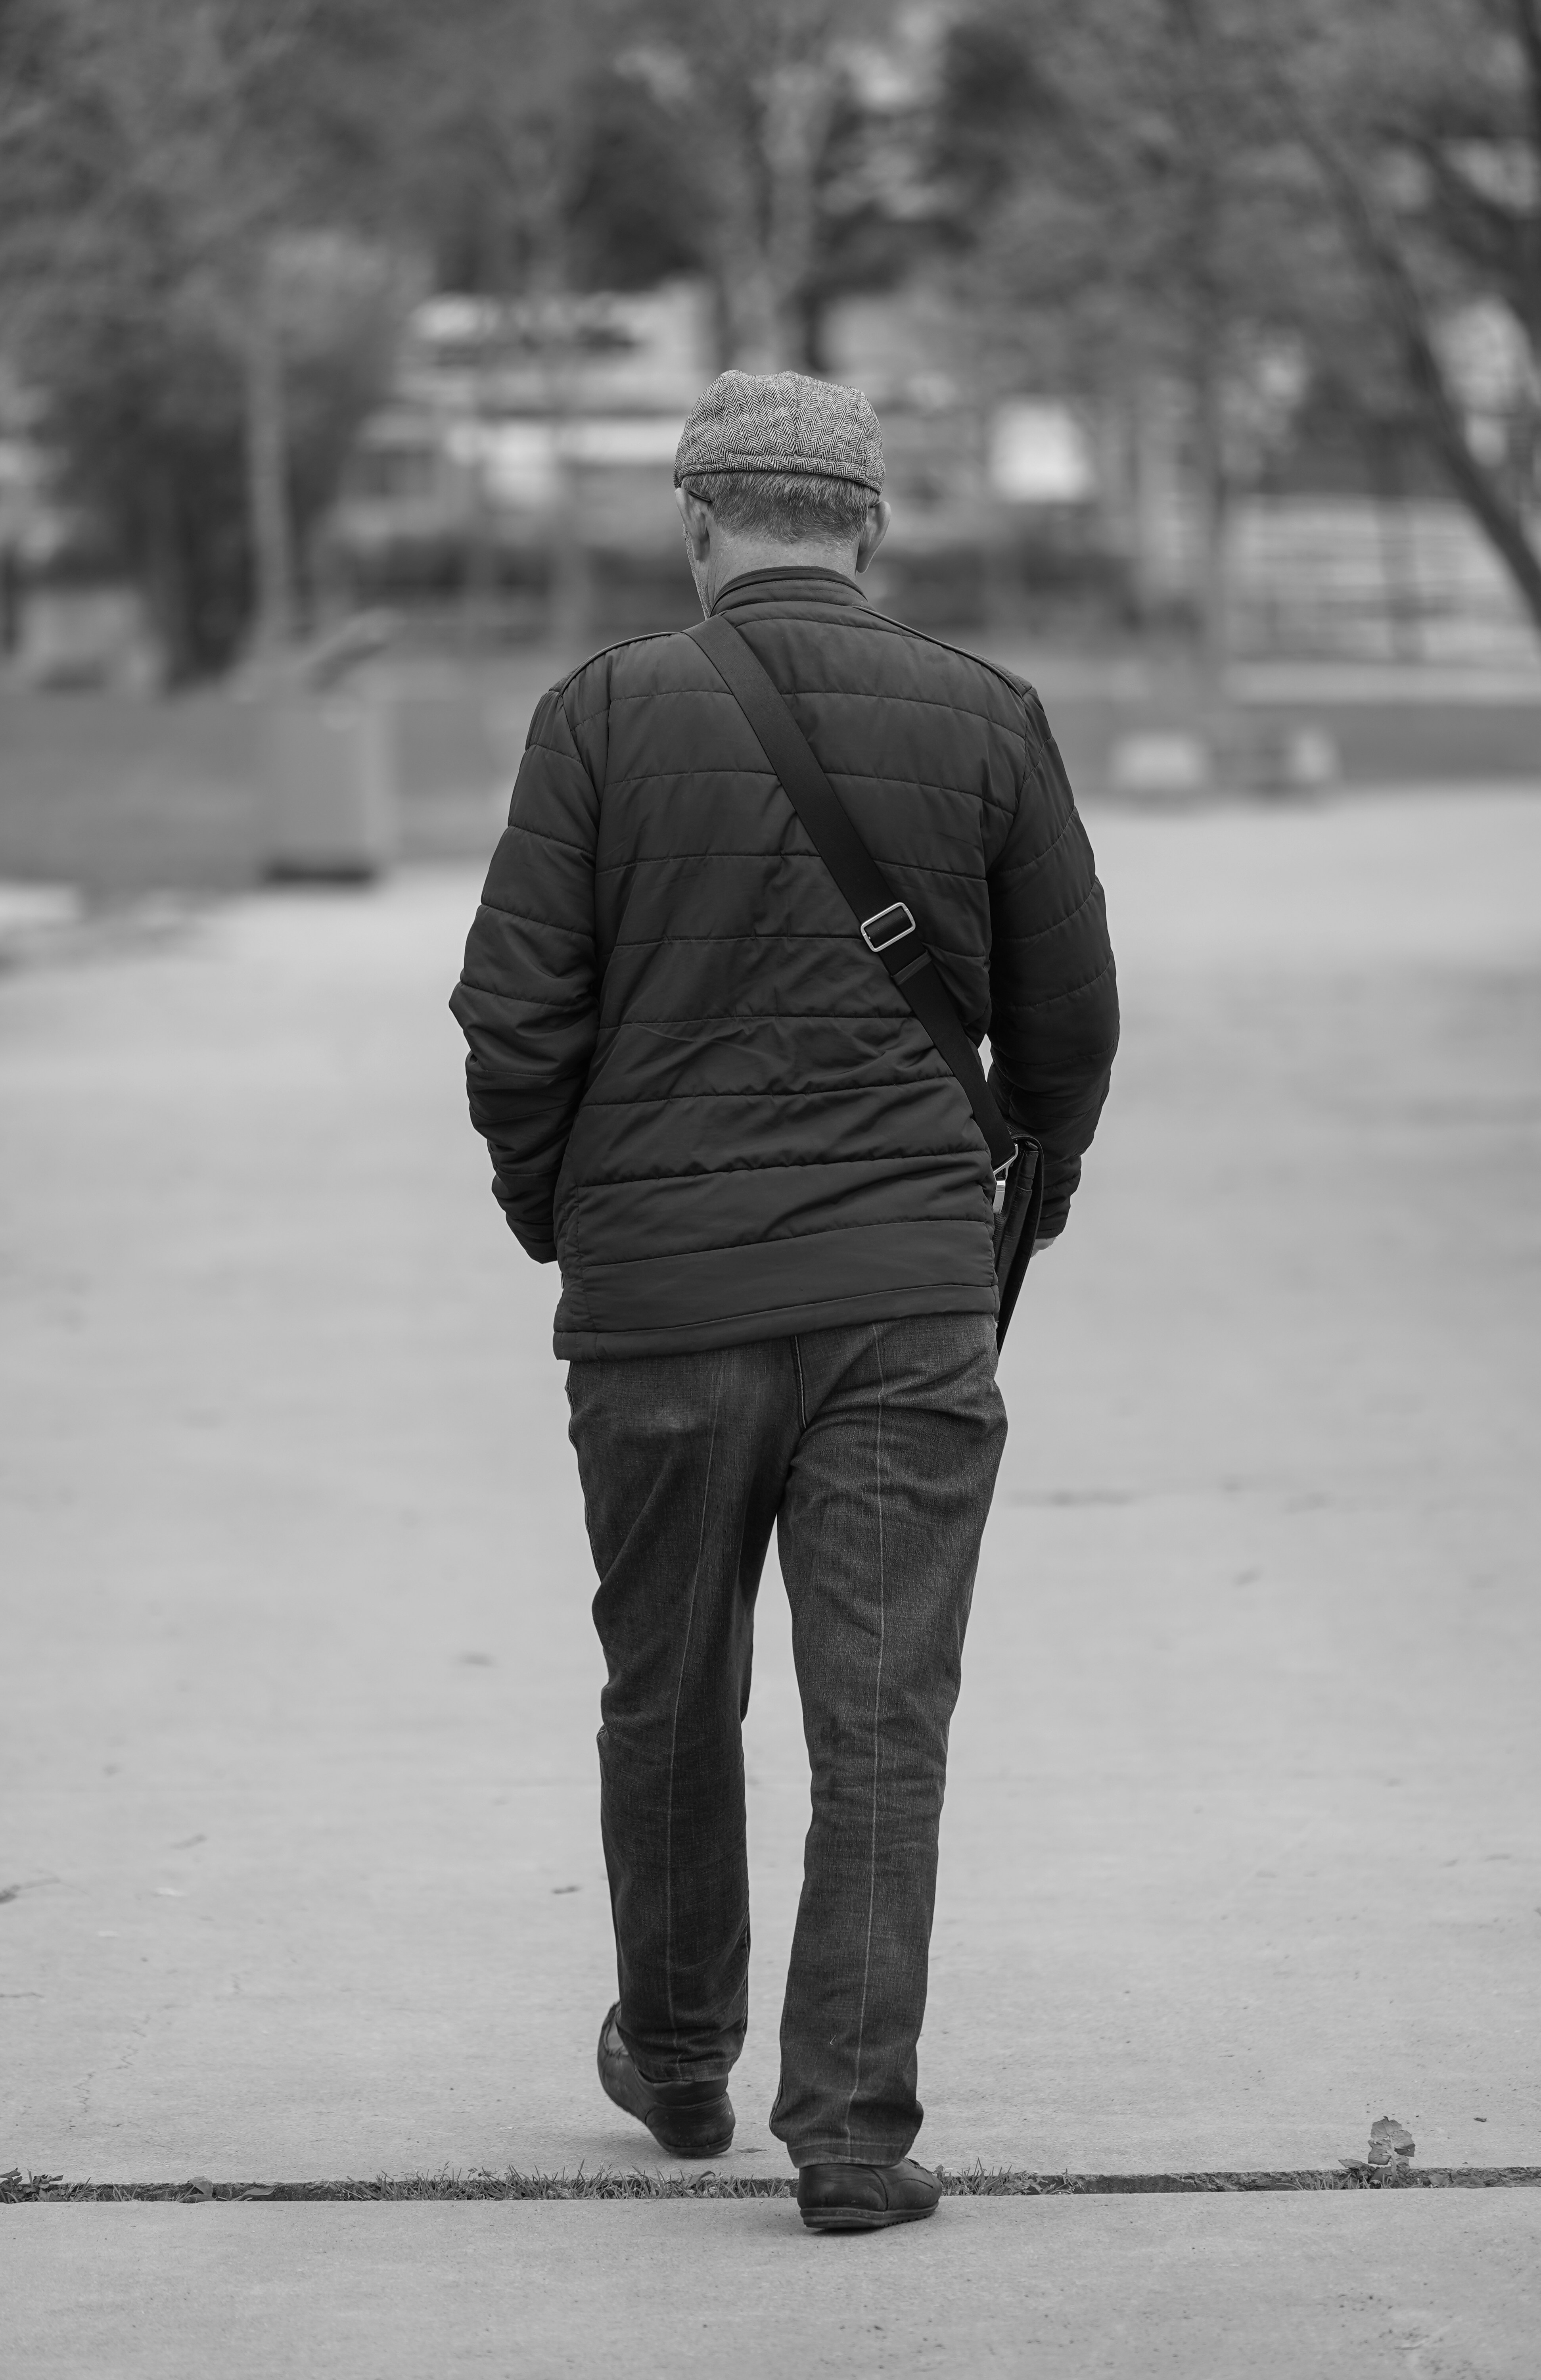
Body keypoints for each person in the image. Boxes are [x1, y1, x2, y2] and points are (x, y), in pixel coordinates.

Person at [450, 370, 1118, 2233]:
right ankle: (850, 2136)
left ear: (695, 523)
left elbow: (515, 1021)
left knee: (667, 1690)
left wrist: (565, 1222)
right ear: (870, 527)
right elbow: (1067, 1033)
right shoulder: (988, 718)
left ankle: (674, 2056)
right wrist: (1009, 1226)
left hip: (660, 1307)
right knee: (881, 1715)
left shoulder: (598, 715)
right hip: (906, 1298)